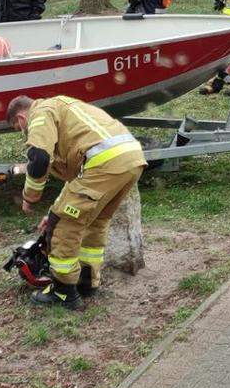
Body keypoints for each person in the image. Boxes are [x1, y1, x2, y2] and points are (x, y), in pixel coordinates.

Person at [9, 95, 148, 310]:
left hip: (104, 163)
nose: (22, 131)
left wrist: (30, 197)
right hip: (130, 159)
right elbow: (77, 181)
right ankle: (87, 283)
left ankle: (63, 292)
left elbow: (39, 159)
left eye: (18, 128)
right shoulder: (63, 107)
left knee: (62, 225)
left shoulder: (39, 114)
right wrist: (53, 210)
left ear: (20, 118)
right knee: (94, 223)